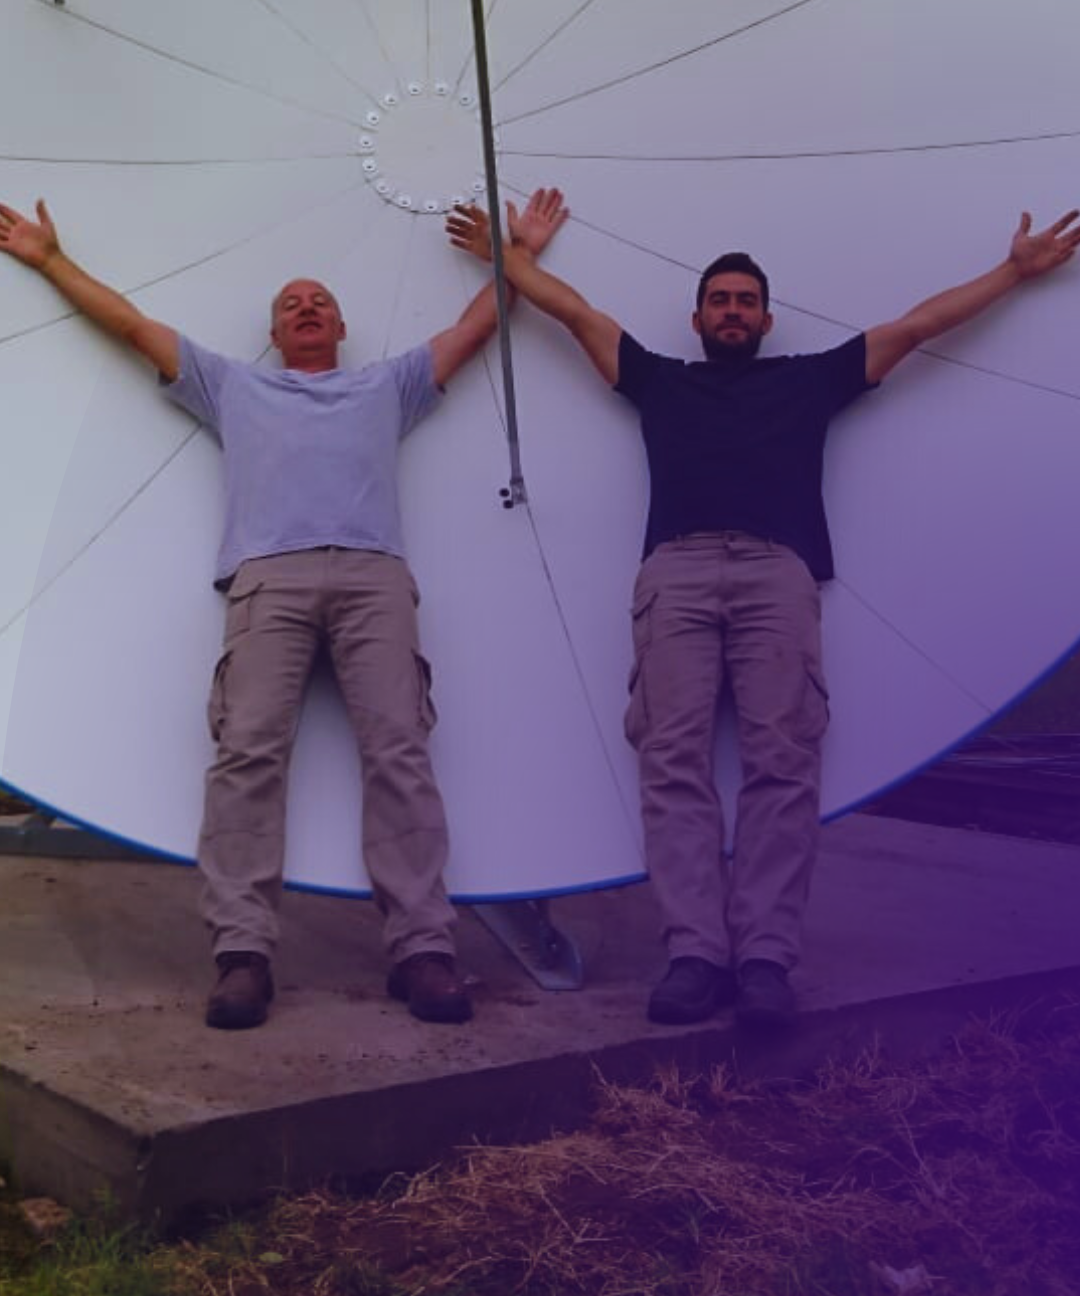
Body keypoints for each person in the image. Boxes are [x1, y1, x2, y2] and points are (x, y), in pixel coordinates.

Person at [448, 196, 1080, 1027]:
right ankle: (694, 955)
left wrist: (1014, 271)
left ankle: (766, 963)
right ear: (699, 317)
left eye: (746, 301)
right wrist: (515, 256)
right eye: (721, 300)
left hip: (776, 574)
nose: (734, 311)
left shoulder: (809, 380)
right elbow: (571, 313)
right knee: (672, 762)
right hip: (675, 569)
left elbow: (919, 325)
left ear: (767, 317)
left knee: (782, 764)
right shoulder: (659, 380)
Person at [0, 188, 566, 1031]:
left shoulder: (390, 384)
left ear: (339, 329)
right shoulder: (231, 387)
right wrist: (50, 262)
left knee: (399, 753)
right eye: (291, 305)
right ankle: (242, 956)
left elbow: (479, 323)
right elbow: (128, 325)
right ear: (273, 335)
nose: (307, 309)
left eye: (320, 302)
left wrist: (515, 252)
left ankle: (423, 951)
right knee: (248, 755)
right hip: (269, 579)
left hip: (376, 577)